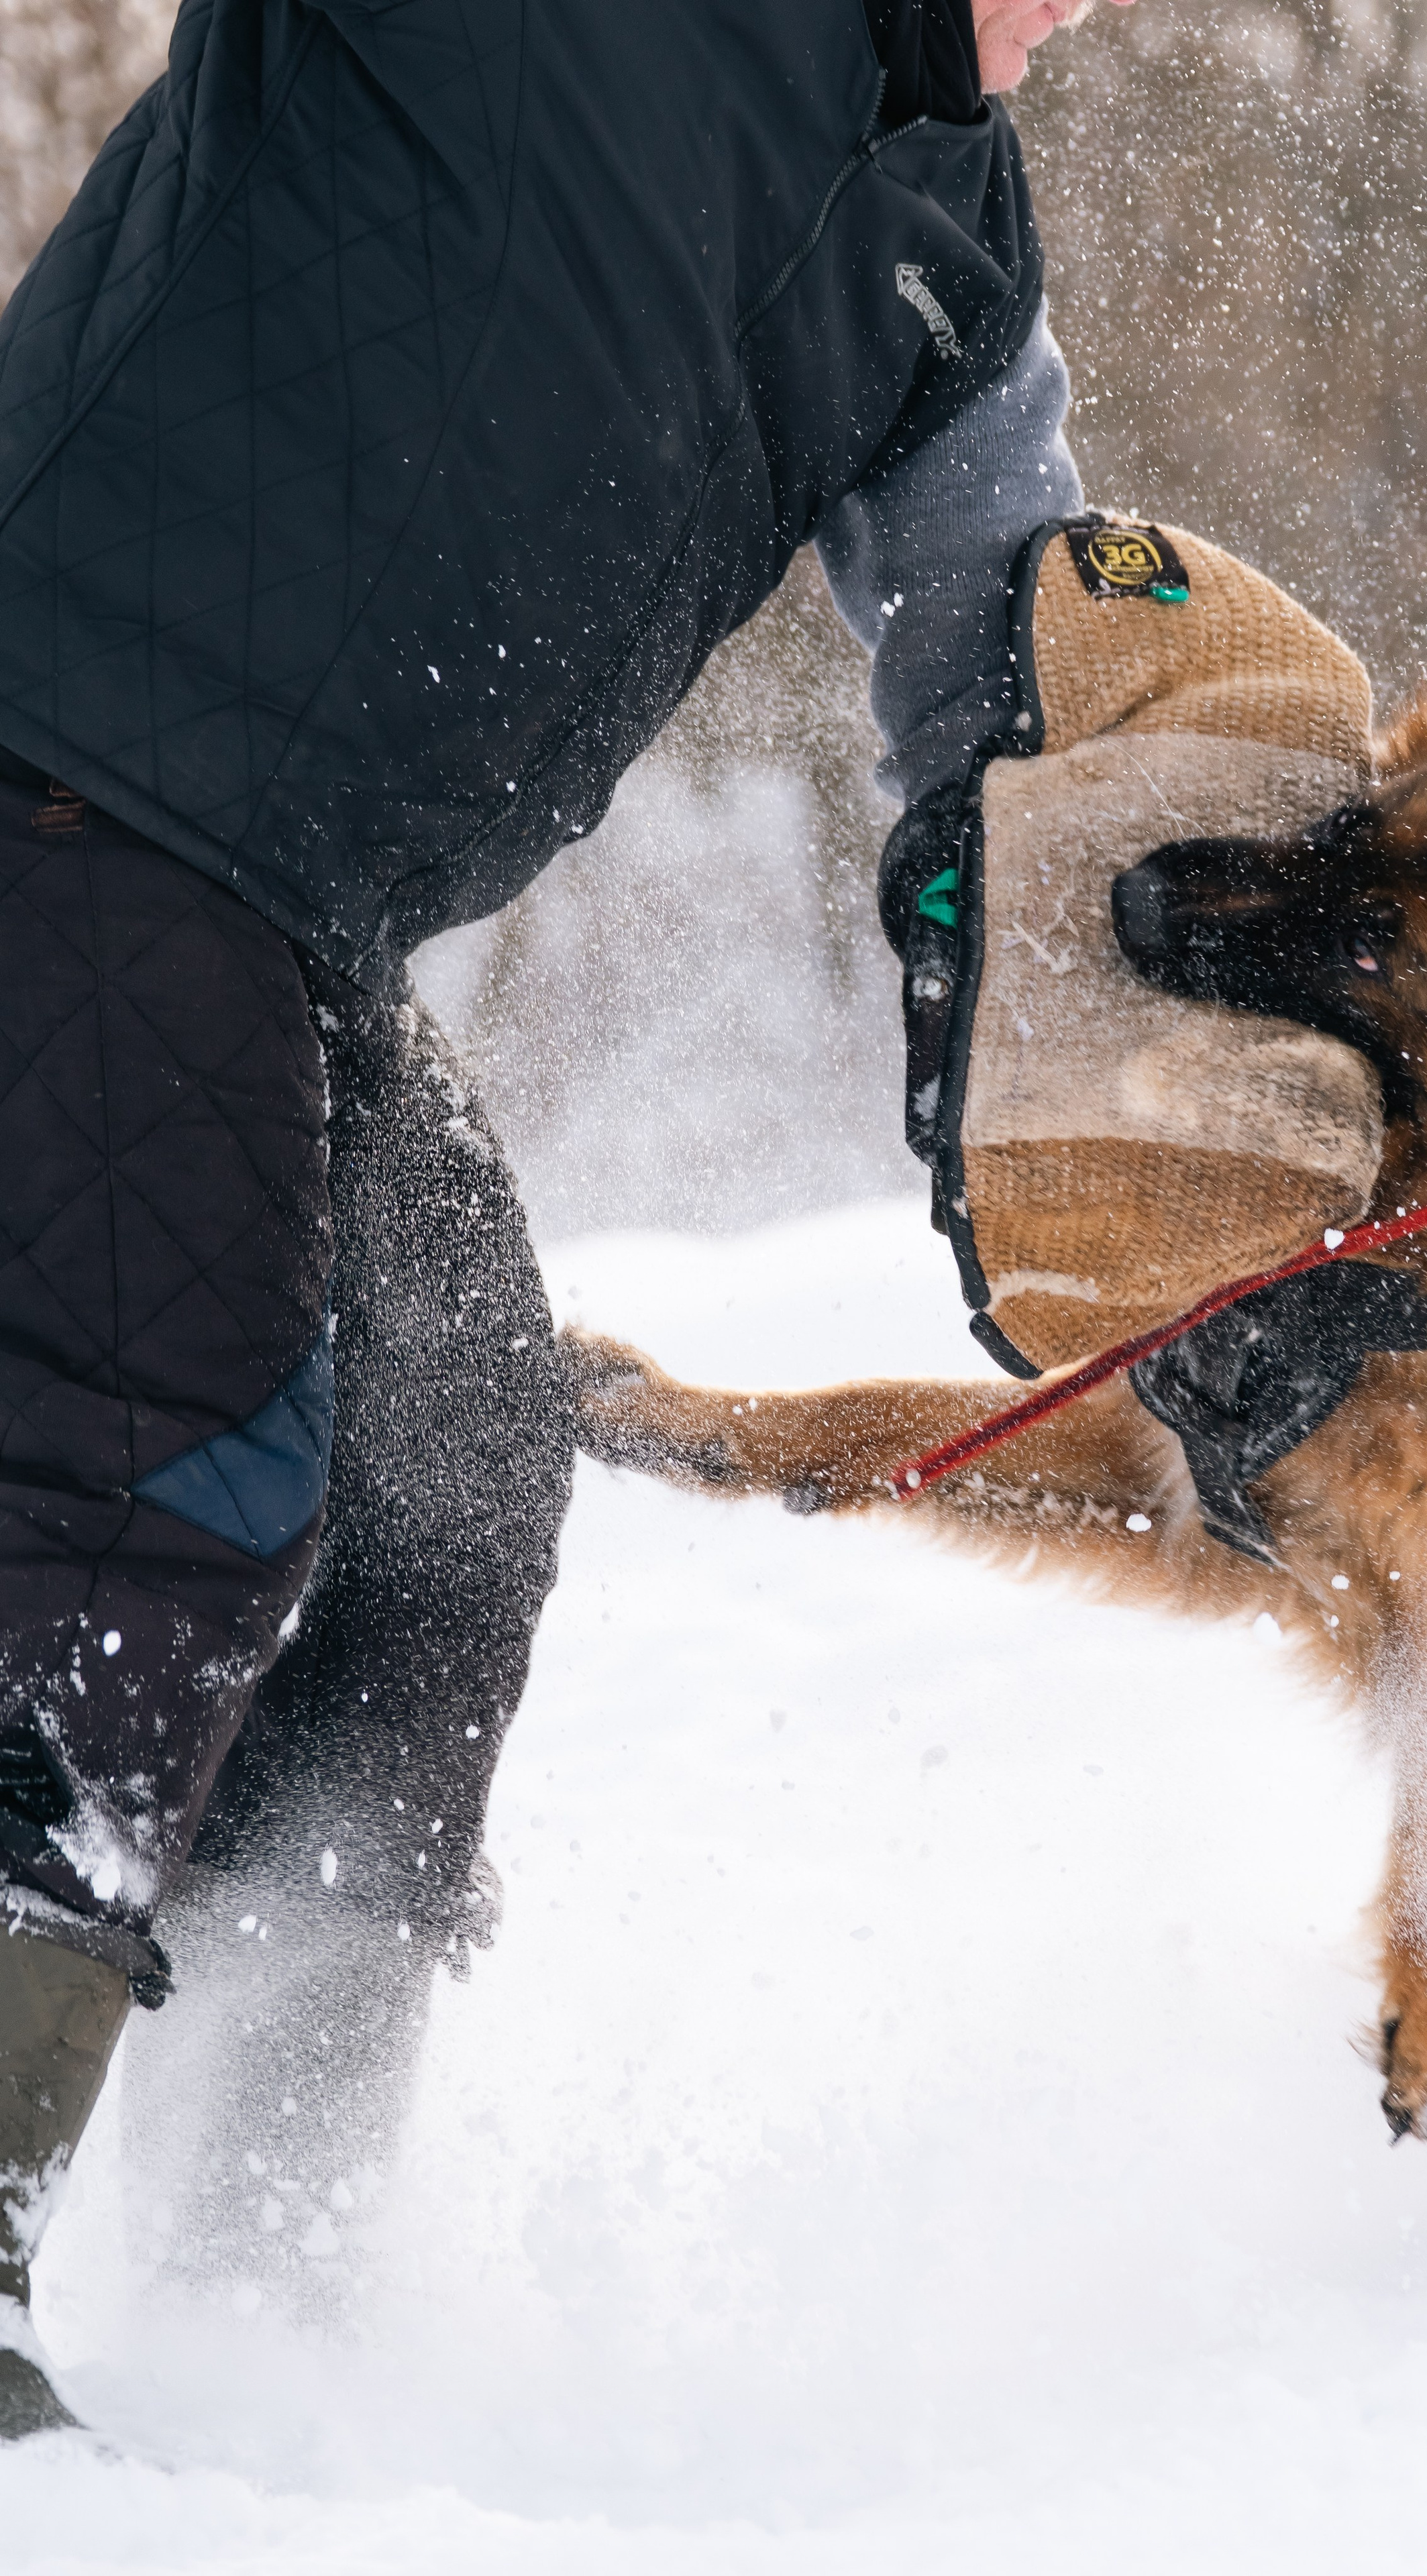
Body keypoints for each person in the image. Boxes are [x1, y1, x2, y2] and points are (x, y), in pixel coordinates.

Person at [0, 0, 1132, 2432]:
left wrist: (1055, 930)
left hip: (289, 908)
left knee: (449, 1491)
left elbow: (1004, 629)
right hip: (71, 753)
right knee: (145, 1484)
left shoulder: (953, 239)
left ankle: (259, 2290)